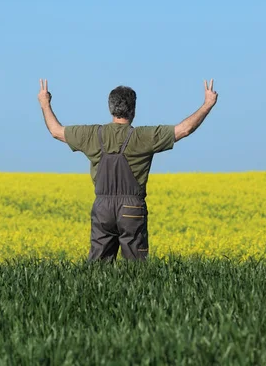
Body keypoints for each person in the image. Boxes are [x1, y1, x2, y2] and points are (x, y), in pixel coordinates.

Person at [37, 79, 218, 261]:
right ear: (133, 110)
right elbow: (184, 130)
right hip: (132, 208)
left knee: (97, 271)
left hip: (102, 209)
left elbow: (56, 131)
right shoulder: (143, 136)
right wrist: (207, 105)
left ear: (110, 108)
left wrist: (45, 103)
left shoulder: (91, 134)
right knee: (136, 270)